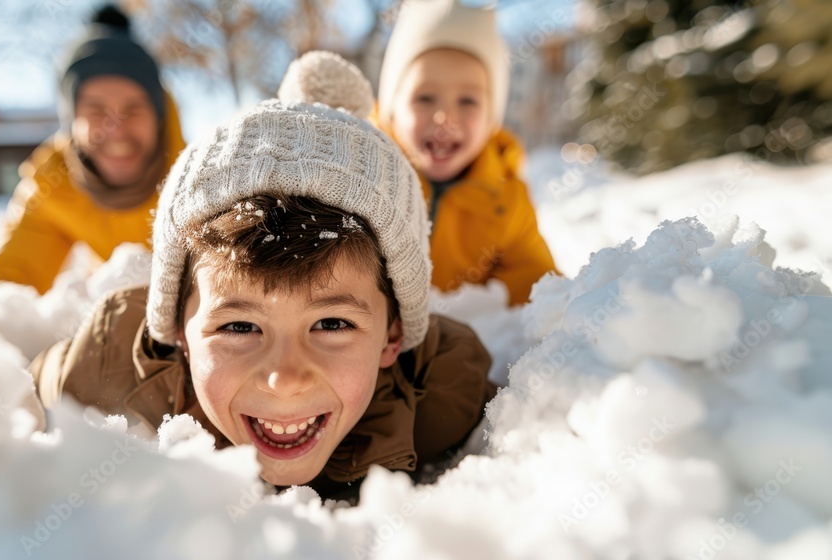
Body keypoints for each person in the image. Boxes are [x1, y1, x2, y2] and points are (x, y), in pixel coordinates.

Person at [29, 52, 496, 501]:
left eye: (332, 324)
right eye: (238, 326)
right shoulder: (105, 369)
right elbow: (21, 389)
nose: (284, 379)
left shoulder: (443, 389)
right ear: (179, 331)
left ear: (393, 337)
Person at [0, 5, 185, 317]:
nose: (116, 130)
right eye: (95, 110)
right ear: (71, 122)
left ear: (158, 118)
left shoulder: (206, 181)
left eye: (133, 109)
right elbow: (8, 274)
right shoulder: (55, 185)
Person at [376, 0, 557, 305]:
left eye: (468, 101)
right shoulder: (360, 178)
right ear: (392, 110)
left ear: (491, 120)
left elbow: (539, 290)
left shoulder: (506, 200)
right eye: (425, 97)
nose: (444, 116)